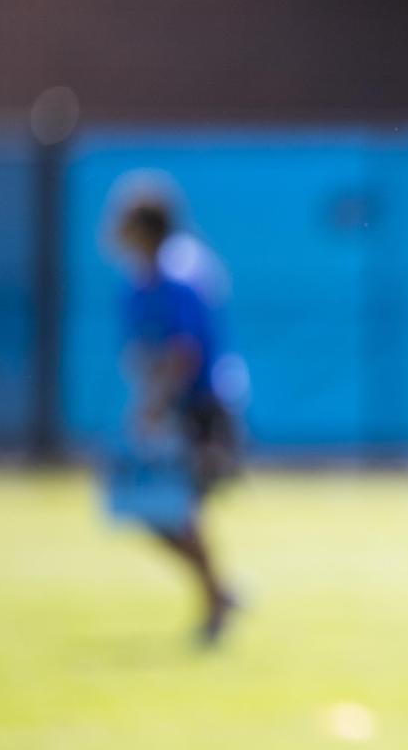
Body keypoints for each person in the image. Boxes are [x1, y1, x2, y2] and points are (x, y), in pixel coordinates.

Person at [108, 191, 241, 646]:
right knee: (150, 509)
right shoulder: (139, 279)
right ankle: (219, 591)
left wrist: (155, 403)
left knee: (175, 508)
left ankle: (216, 600)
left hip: (201, 407)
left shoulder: (180, 272)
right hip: (168, 407)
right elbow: (140, 349)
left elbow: (185, 351)